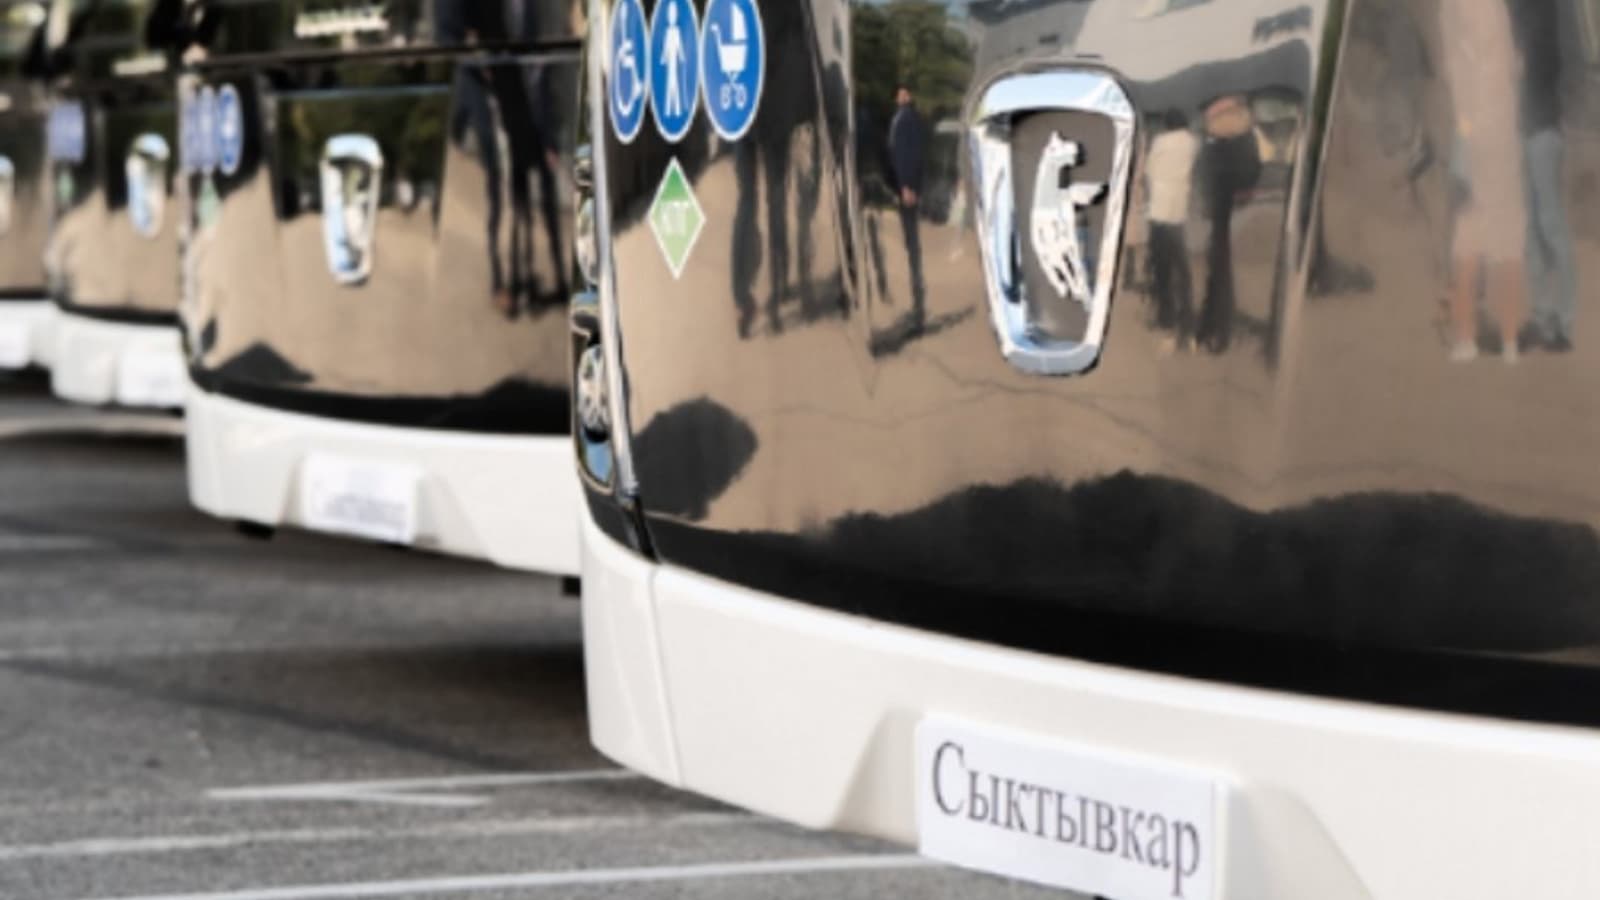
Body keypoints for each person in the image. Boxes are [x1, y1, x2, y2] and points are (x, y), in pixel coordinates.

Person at [1438, 0, 1526, 364]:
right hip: (1503, 127)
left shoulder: (1453, 8)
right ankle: (1509, 342)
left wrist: (1465, 128)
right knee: (1507, 235)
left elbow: (1458, 69)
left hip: (1476, 129)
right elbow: (1512, 65)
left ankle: (1466, 339)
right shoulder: (1497, 8)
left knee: (1468, 236)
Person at [1512, 0, 1575, 353]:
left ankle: (1561, 323)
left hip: (1543, 130)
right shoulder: (1522, 13)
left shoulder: (1544, 16)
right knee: (1532, 228)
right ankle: (1542, 317)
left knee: (1549, 225)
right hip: (1528, 129)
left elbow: (1545, 66)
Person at [1144, 109, 1199, 351]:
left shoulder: (1160, 142)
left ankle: (1166, 317)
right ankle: (1187, 319)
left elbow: (1149, 171)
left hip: (1158, 211)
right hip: (1180, 211)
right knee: (1183, 270)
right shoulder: (1193, 142)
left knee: (1162, 269)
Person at [888, 83, 927, 320]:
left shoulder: (909, 119)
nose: (902, 97)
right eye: (899, 93)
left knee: (912, 241)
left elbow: (911, 155)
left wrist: (908, 186)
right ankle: (915, 294)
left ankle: (917, 299)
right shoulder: (900, 118)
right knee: (909, 239)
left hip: (907, 186)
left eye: (905, 93)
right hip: (903, 185)